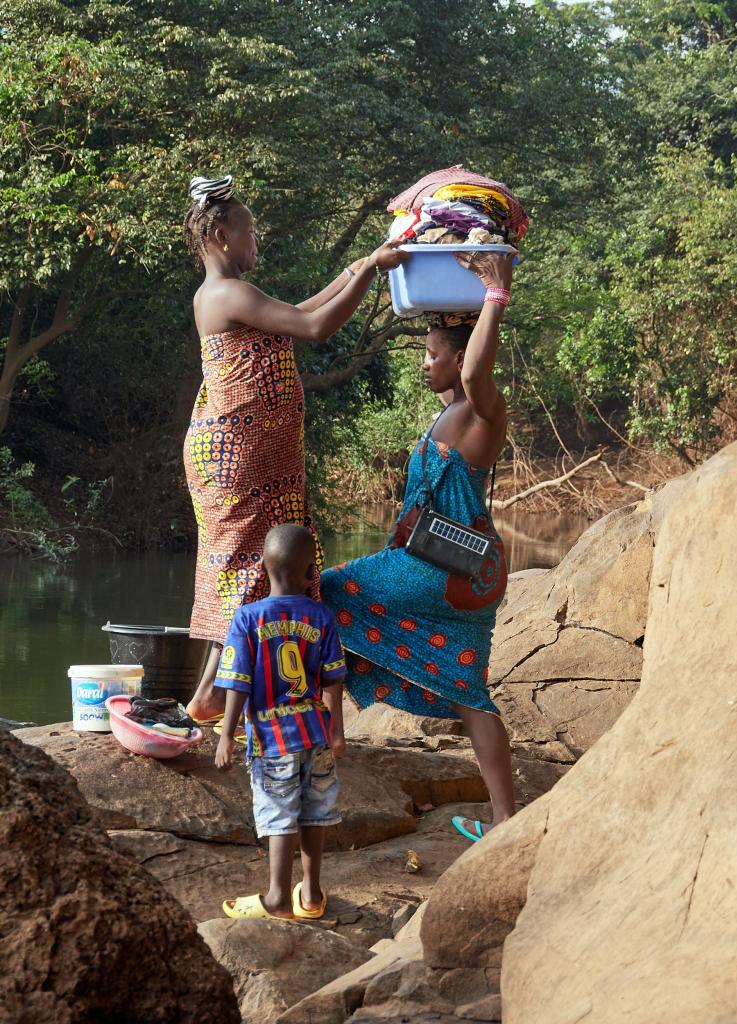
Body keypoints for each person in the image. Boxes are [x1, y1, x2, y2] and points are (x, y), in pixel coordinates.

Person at [182, 174, 406, 721]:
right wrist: (372, 269)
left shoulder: (233, 294)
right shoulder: (227, 293)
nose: (256, 242)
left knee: (256, 566)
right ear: (219, 234)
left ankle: (225, 688)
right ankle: (214, 691)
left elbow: (300, 310)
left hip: (251, 457)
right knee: (246, 567)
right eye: (249, 231)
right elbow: (315, 325)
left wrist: (361, 265)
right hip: (241, 458)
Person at [321, 251, 515, 842]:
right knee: (470, 693)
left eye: (432, 356)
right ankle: (507, 819)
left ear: (459, 361)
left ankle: (331, 730)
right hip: (469, 572)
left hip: (444, 569)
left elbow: (480, 369)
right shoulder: (447, 414)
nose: (424, 364)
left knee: (325, 589)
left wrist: (493, 296)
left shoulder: (483, 411)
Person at [214, 523, 347, 920]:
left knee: (278, 813)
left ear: (263, 569)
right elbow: (333, 681)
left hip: (273, 741)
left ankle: (276, 896)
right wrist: (337, 733)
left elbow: (237, 683)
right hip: (316, 736)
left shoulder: (247, 618)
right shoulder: (321, 616)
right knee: (314, 811)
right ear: (311, 574)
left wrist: (225, 735)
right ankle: (310, 894)